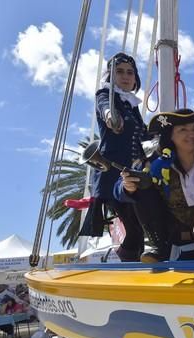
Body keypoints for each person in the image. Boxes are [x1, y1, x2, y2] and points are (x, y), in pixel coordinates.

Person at [115, 108, 194, 262]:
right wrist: (127, 187)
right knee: (142, 182)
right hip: (173, 239)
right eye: (183, 130)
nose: (191, 134)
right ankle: (157, 246)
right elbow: (117, 189)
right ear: (170, 135)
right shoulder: (152, 163)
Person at [80, 52, 146, 262]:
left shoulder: (132, 105)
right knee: (136, 229)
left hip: (133, 175)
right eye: (120, 72)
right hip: (113, 177)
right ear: (111, 75)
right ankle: (128, 271)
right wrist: (110, 116)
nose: (126, 76)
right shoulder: (106, 95)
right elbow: (104, 108)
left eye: (130, 72)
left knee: (142, 227)